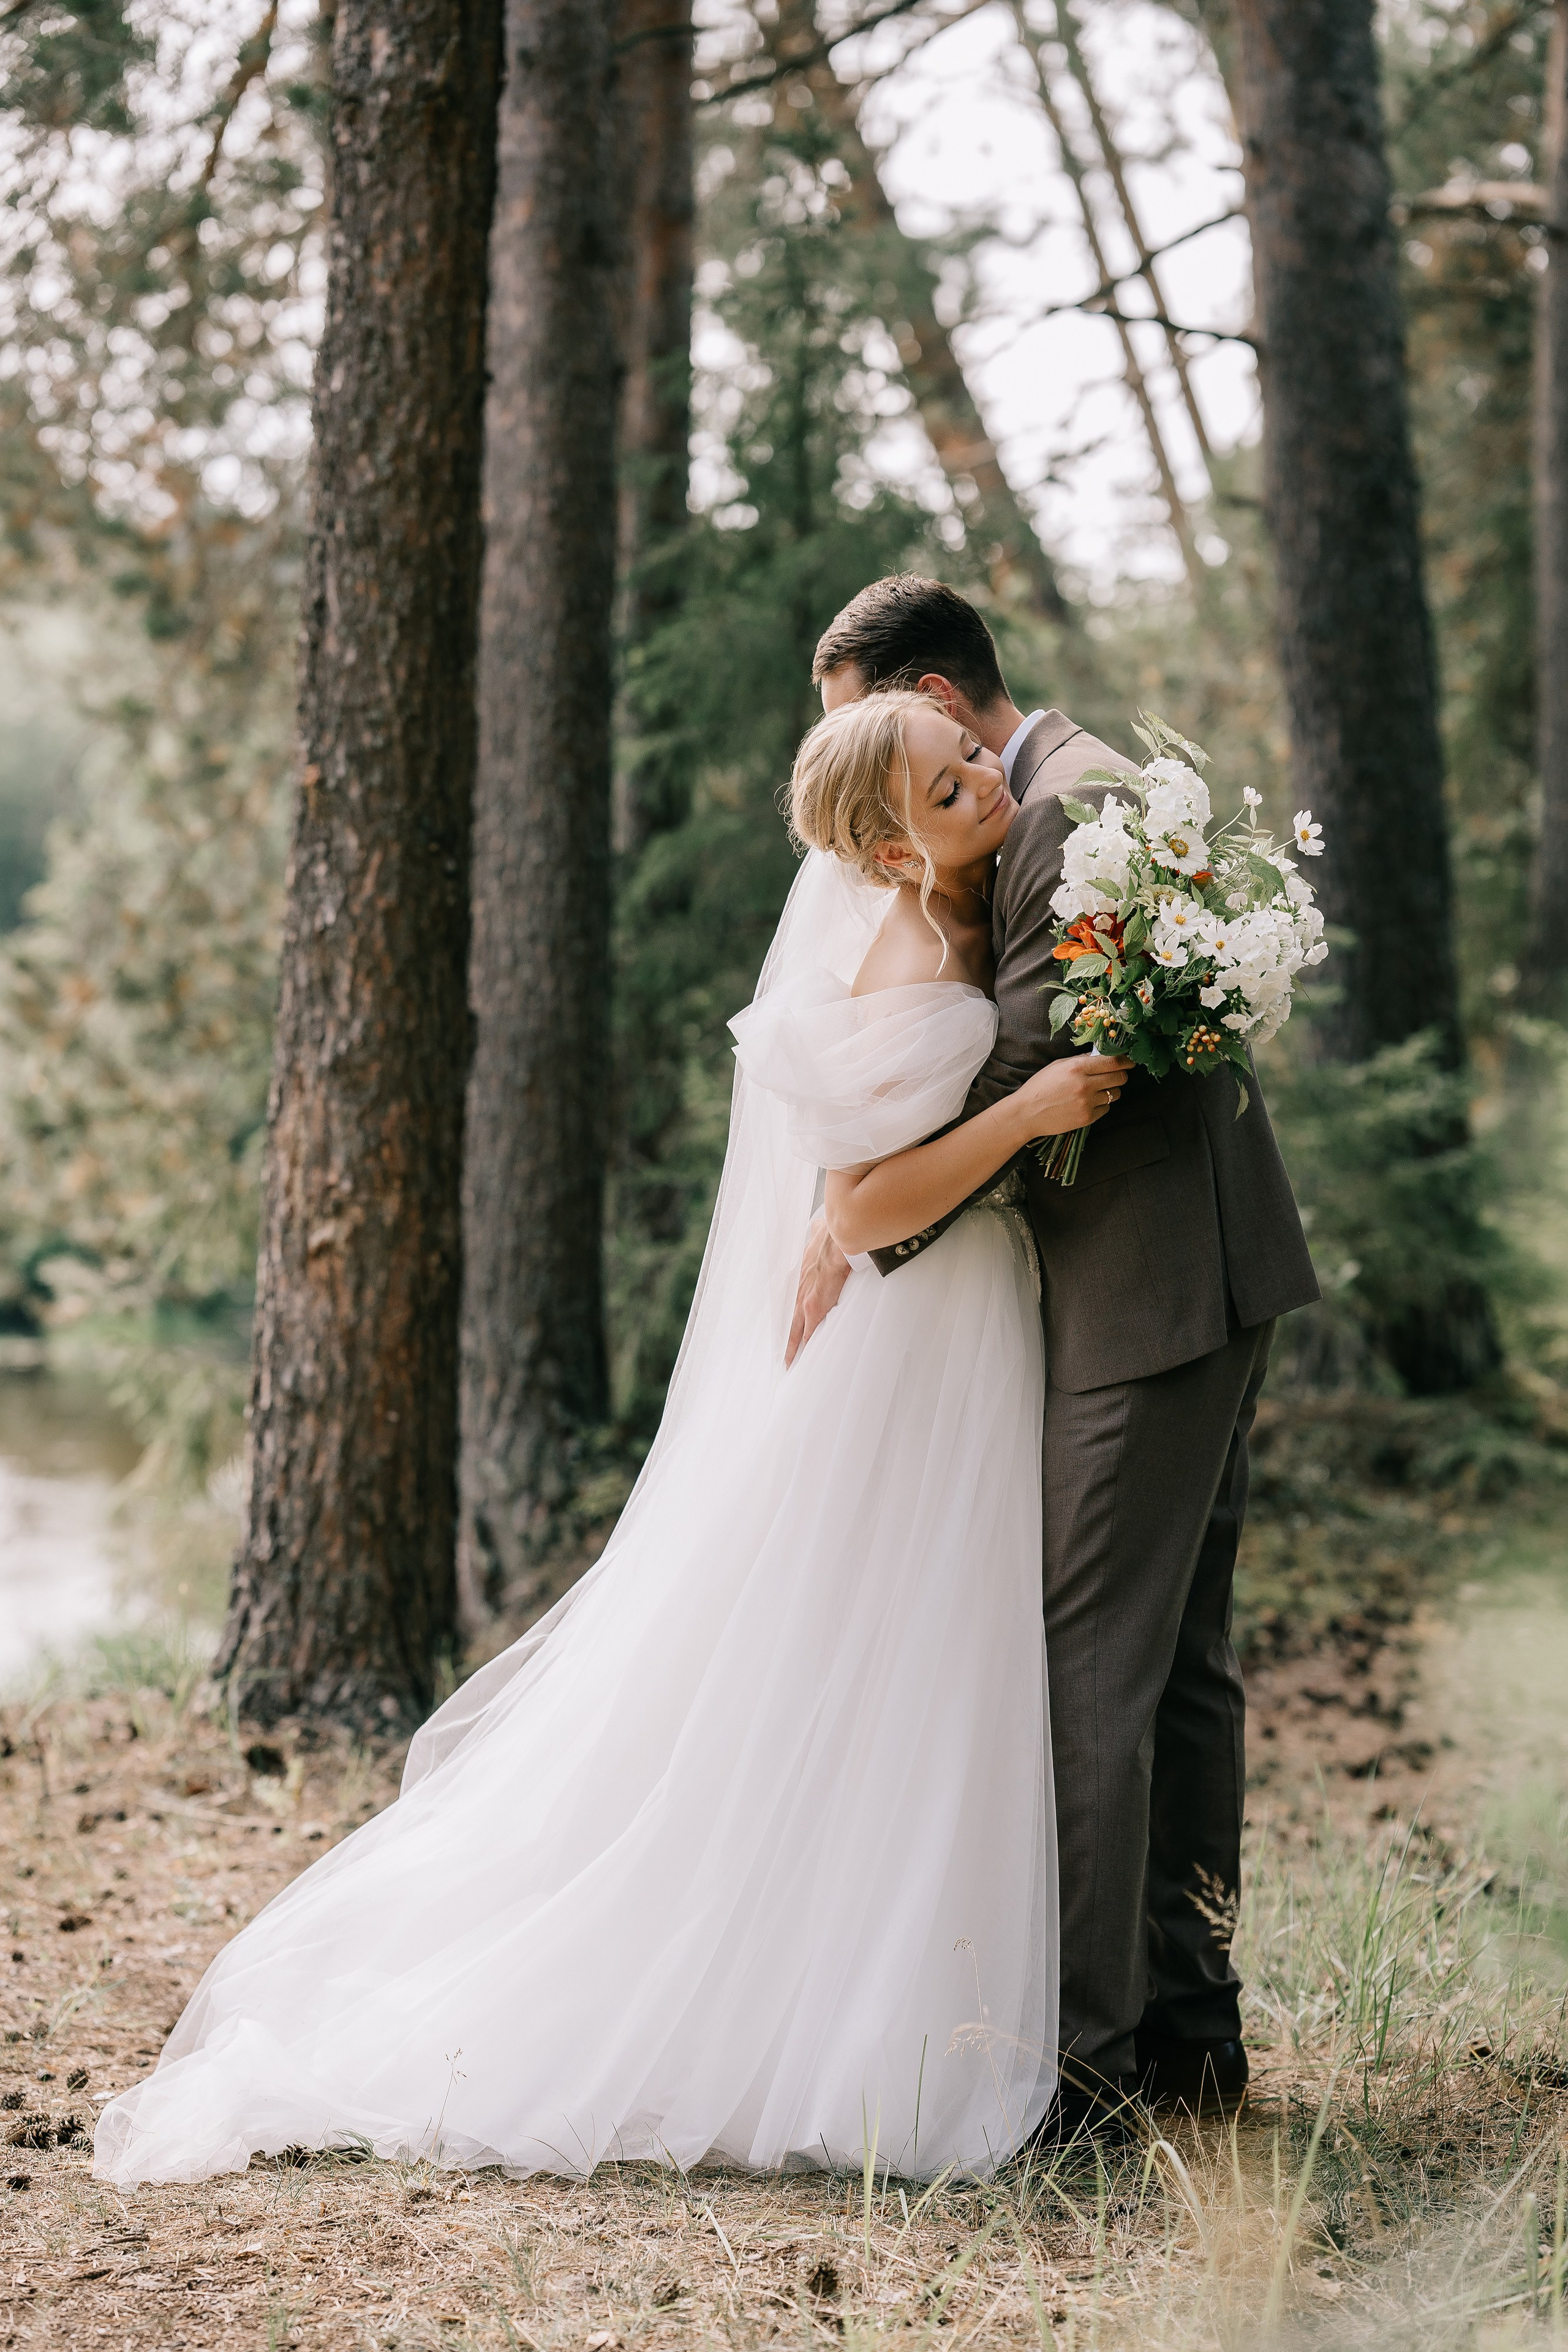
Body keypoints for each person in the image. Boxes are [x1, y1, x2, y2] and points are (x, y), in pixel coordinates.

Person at [94, 691, 1131, 2189]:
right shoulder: (908, 949)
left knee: (934, 1651)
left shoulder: (976, 910)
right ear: (886, 844)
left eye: (968, 756)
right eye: (941, 778)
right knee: (872, 1644)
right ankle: (816, 2022)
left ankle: (894, 1983)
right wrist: (1028, 1110)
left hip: (974, 1329)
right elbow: (855, 1209)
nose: (979, 776)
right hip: (913, 1341)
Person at [794, 575, 1321, 2130]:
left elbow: (1031, 1060)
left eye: (881, 727)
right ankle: (1186, 2030)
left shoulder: (1065, 812)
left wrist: (854, 1201)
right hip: (1176, 1280)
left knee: (1090, 1664)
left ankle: (1084, 2067)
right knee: (1173, 1674)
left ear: (942, 700)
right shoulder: (1055, 807)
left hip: (1143, 1292)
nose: (881, 761)